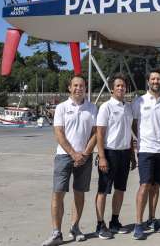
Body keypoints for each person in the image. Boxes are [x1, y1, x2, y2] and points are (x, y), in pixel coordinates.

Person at [42, 76, 97, 246]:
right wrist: (74, 154)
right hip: (64, 156)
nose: (78, 88)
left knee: (79, 193)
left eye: (82, 86)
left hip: (85, 157)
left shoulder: (92, 108)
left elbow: (96, 133)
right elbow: (59, 133)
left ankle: (75, 227)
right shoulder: (61, 107)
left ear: (85, 88)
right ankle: (56, 232)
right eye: (75, 85)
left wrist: (85, 154)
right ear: (69, 88)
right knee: (58, 193)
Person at [131, 69, 160, 240]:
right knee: (144, 185)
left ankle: (152, 218)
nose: (155, 81)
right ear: (148, 81)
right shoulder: (139, 102)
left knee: (156, 185)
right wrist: (143, 139)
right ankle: (138, 223)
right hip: (145, 150)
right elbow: (134, 124)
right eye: (153, 79)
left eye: (158, 78)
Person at [94, 73, 136, 239]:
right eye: (117, 85)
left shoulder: (128, 107)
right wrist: (102, 157)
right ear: (112, 88)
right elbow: (99, 133)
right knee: (103, 190)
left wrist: (132, 155)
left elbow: (129, 133)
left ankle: (114, 222)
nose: (121, 88)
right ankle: (100, 224)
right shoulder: (106, 107)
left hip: (125, 153)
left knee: (120, 189)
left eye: (123, 85)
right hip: (109, 153)